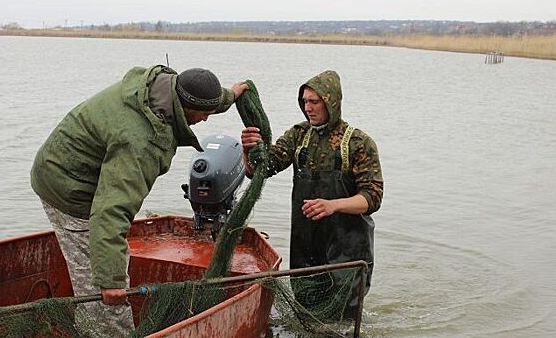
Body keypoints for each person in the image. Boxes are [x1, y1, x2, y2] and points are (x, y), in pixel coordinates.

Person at [31, 65, 248, 336]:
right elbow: (112, 209)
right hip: (67, 187)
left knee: (108, 268)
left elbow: (198, 97)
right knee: (103, 295)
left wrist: (229, 97)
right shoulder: (143, 142)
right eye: (203, 113)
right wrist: (110, 280)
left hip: (82, 168)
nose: (205, 120)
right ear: (185, 106)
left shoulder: (160, 88)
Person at [241, 70, 383, 317]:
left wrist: (333, 205)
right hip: (307, 246)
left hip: (348, 249)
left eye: (314, 102)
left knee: (344, 319)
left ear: (331, 102)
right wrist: (248, 149)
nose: (308, 108)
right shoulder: (299, 135)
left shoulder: (359, 142)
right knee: (307, 312)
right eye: (305, 101)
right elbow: (261, 170)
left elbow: (373, 197)